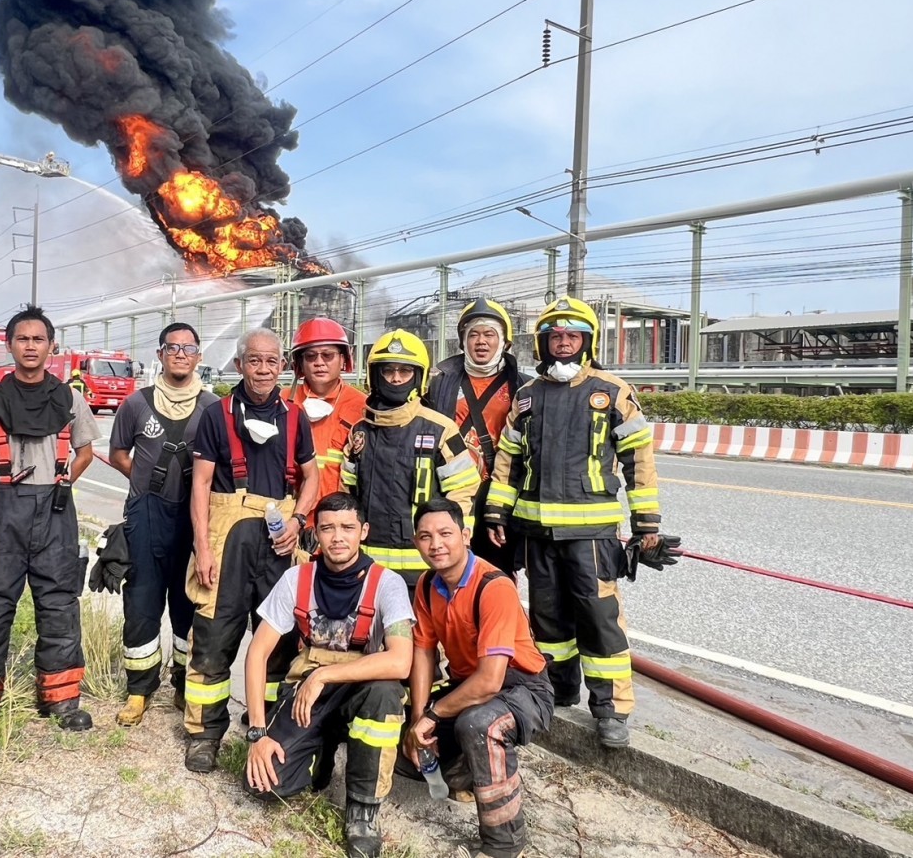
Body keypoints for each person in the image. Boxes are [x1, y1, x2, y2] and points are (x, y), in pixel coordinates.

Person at [484, 296, 661, 749]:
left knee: (600, 619)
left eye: (572, 336)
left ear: (587, 340)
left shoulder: (613, 392)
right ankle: (559, 691)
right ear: (544, 344)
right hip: (537, 534)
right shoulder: (527, 397)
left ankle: (611, 710)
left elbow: (639, 459)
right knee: (548, 622)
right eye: (555, 336)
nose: (563, 343)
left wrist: (647, 525)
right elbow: (508, 460)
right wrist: (496, 511)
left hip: (592, 535)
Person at [0, 305, 100, 748]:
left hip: (55, 514)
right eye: (22, 339)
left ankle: (62, 701)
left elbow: (86, 448)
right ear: (10, 345)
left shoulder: (70, 399)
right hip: (3, 514)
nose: (31, 346)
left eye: (39, 339)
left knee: (59, 604)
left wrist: (69, 474)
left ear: (51, 347)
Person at [243, 492, 413, 858]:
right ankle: (319, 752)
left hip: (358, 692)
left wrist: (323, 677)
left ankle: (363, 811)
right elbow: (257, 654)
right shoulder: (296, 579)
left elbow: (400, 662)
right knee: (265, 784)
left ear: (363, 531)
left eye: (348, 528)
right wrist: (257, 733)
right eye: (328, 528)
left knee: (385, 692)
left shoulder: (388, 584)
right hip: (308, 698)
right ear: (315, 533)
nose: (338, 537)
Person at [184, 327, 321, 772]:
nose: (263, 369)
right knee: (214, 633)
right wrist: (202, 548)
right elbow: (200, 485)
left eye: (271, 361)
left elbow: (311, 478)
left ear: (282, 365)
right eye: (254, 361)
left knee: (279, 639)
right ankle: (205, 733)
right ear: (239, 365)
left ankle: (265, 723)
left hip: (279, 541)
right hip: (227, 538)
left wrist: (299, 521)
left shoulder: (296, 417)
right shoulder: (216, 414)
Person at [404, 498, 552, 858]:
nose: (435, 544)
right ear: (415, 543)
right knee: (403, 750)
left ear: (465, 536)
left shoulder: (493, 586)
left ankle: (504, 843)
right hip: (466, 686)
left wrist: (433, 716)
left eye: (445, 533)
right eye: (425, 536)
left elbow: (489, 681)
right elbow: (423, 653)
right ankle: (470, 775)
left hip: (522, 687)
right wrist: (416, 721)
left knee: (479, 725)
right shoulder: (427, 585)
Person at [107, 322, 219, 724]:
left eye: (189, 349)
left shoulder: (212, 407)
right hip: (146, 515)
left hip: (194, 520)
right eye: (172, 347)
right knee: (142, 603)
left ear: (199, 357)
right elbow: (119, 453)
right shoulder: (136, 405)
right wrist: (146, 481)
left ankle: (183, 684)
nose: (181, 355)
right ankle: (139, 690)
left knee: (189, 604)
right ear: (160, 354)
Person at [340, 329, 480, 592]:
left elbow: (463, 493)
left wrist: (453, 548)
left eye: (404, 371)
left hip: (428, 568)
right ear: (375, 375)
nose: (395, 379)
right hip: (368, 568)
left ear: (419, 377)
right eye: (388, 370)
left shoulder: (441, 429)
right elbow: (347, 495)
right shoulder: (359, 433)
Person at [426, 298, 530, 577]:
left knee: (497, 573)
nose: (481, 341)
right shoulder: (440, 381)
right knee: (450, 569)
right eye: (473, 334)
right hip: (451, 489)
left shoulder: (521, 385)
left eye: (489, 334)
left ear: (504, 343)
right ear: (462, 341)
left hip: (498, 492)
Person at [288, 318, 367, 530]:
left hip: (339, 521)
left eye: (328, 355)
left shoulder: (362, 406)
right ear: (299, 364)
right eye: (311, 356)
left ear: (343, 359)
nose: (319, 362)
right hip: (290, 516)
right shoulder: (284, 402)